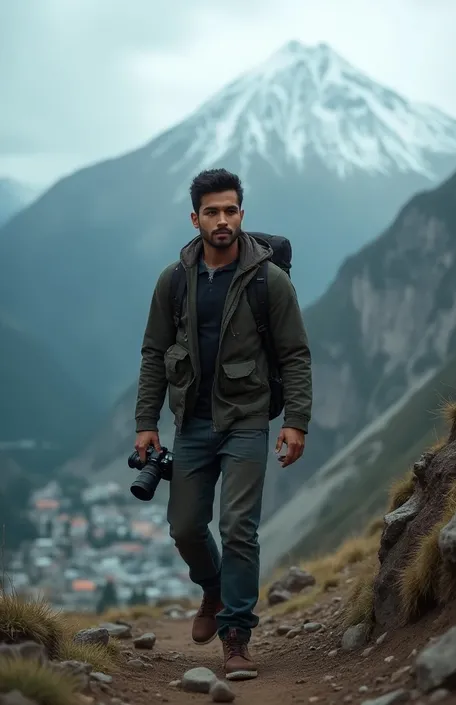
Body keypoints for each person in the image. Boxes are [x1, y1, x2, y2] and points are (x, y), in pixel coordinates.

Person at [134, 168, 312, 680]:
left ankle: (236, 635)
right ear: (195, 219)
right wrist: (147, 421)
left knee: (239, 528)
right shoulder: (173, 280)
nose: (222, 220)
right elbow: (153, 353)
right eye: (211, 211)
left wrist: (295, 420)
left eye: (230, 210)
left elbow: (295, 355)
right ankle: (212, 586)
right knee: (186, 527)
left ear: (241, 214)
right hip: (191, 423)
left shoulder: (268, 281)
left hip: (247, 420)